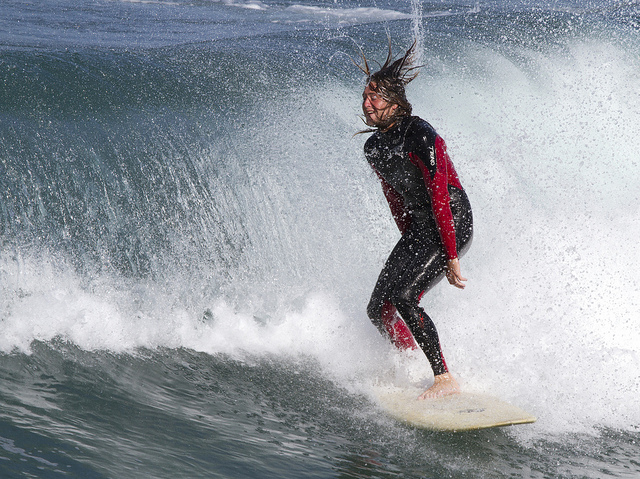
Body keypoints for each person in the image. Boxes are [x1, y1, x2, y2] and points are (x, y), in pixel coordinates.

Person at [357, 41, 473, 399]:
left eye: (375, 98)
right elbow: (396, 200)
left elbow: (439, 196)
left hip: (452, 220)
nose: (367, 104)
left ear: (395, 104)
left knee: (405, 297)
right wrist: (409, 242)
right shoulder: (373, 147)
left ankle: (444, 379)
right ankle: (411, 363)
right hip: (421, 227)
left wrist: (451, 256)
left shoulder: (420, 134)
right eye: (365, 97)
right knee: (378, 309)